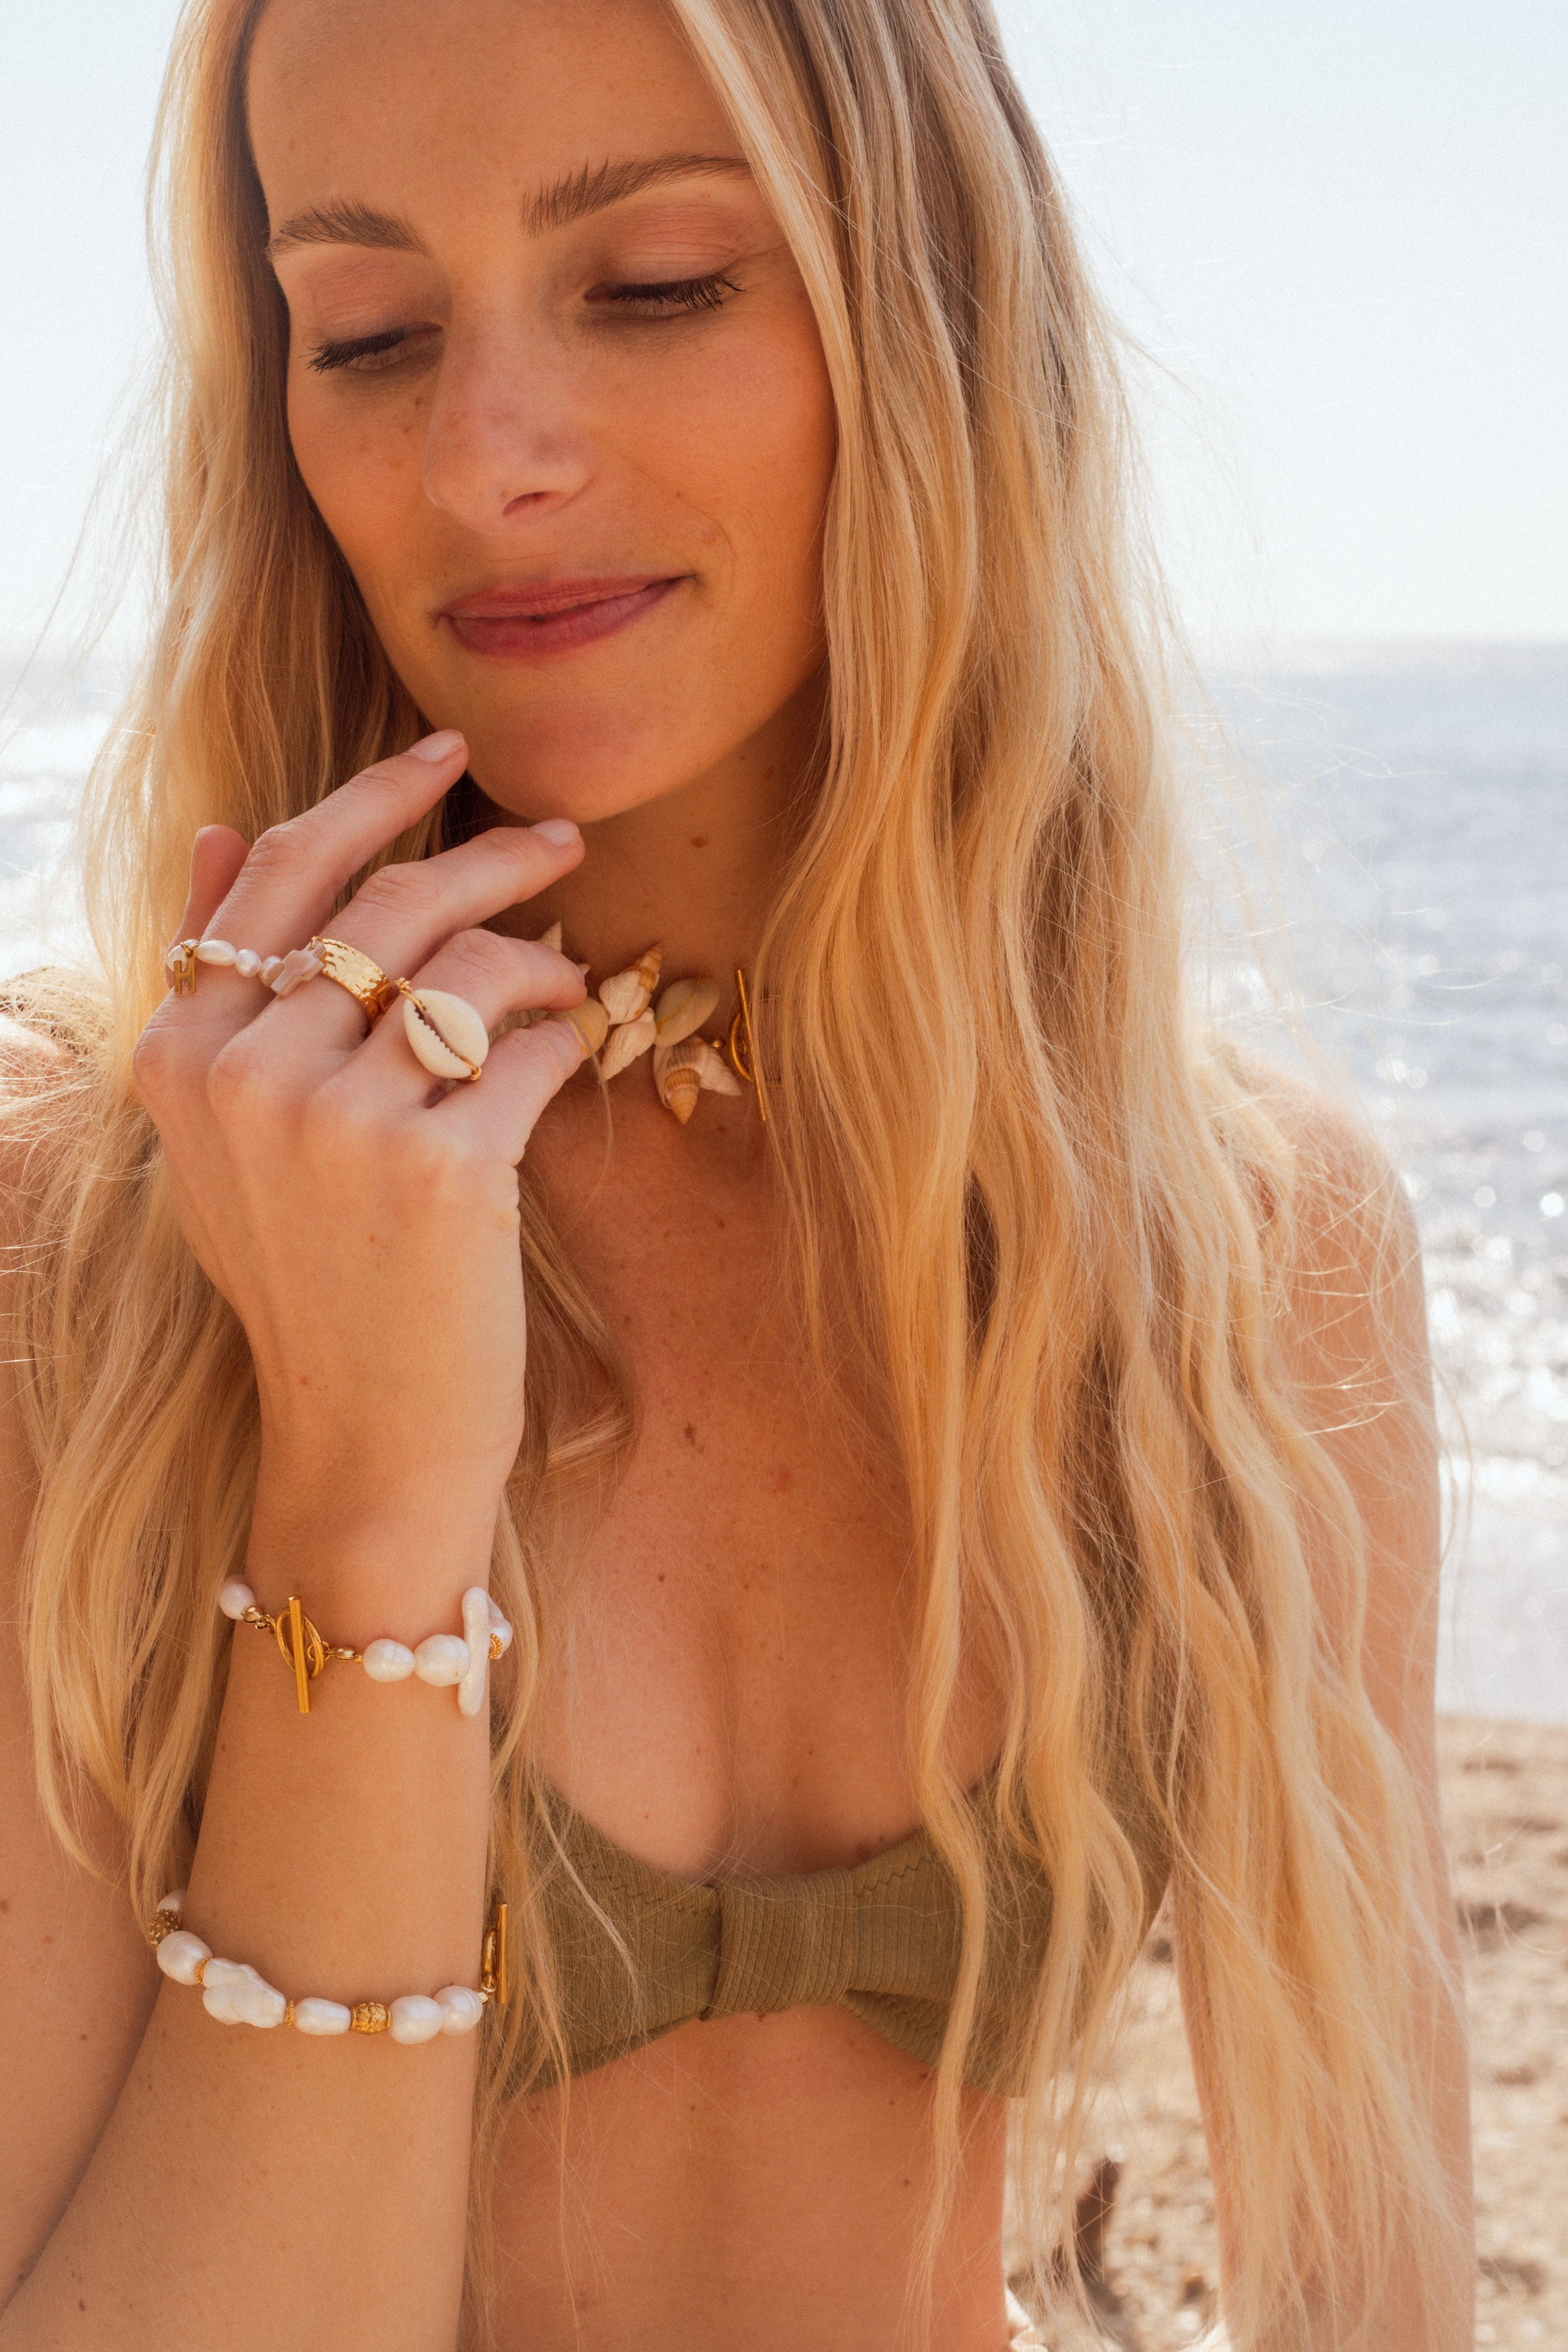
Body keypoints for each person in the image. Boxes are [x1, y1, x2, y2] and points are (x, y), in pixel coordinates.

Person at [0, 1, 1473, 2346]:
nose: (486, 458)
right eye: (366, 330)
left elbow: (1370, 2291)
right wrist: (366, 1499)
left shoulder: (1235, 1260)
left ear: (928, 313)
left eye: (658, 284)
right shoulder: (94, 1235)